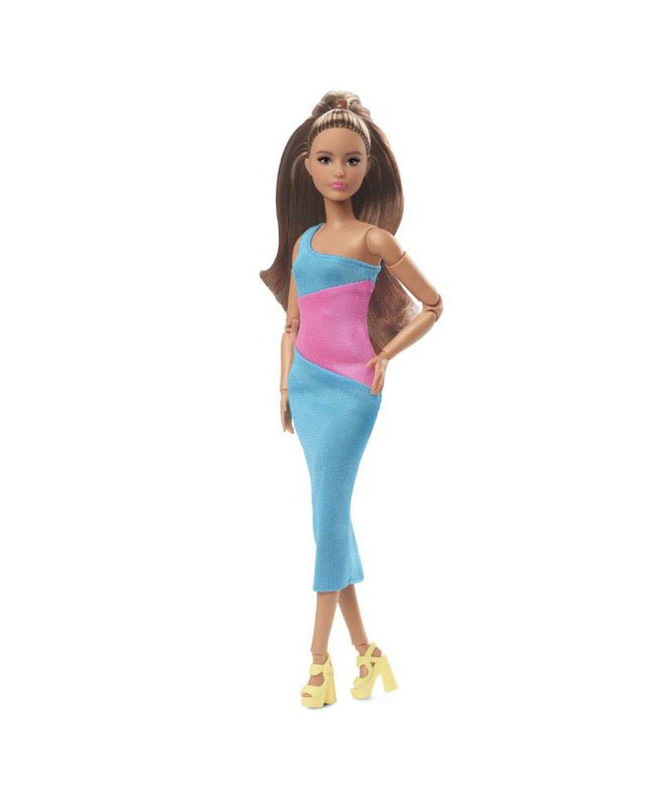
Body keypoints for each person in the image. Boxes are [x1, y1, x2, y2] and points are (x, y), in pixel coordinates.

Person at [260, 90, 444, 708]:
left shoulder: (375, 241)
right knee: (331, 517)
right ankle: (367, 654)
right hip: (307, 387)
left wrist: (385, 354)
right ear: (306, 167)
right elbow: (291, 323)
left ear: (368, 167)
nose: (338, 171)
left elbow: (434, 304)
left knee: (327, 519)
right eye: (326, 160)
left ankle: (319, 666)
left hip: (351, 391)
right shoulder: (304, 241)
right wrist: (283, 386)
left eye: (351, 160)